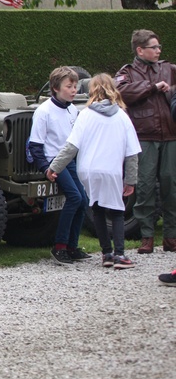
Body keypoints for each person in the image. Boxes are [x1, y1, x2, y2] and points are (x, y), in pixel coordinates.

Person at [48, 74, 141, 269]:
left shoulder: (85, 114)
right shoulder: (122, 116)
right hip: (110, 170)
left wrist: (54, 167)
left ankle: (106, 253)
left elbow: (70, 146)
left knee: (97, 209)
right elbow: (132, 153)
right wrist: (131, 180)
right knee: (116, 211)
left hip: (88, 170)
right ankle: (120, 255)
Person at [115, 29, 176, 254]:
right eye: (154, 47)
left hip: (170, 135)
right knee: (145, 187)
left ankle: (171, 237)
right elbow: (119, 92)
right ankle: (147, 237)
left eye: (159, 47)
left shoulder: (168, 69)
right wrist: (151, 87)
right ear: (140, 50)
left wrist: (171, 90)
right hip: (145, 136)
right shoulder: (127, 72)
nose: (159, 51)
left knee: (172, 186)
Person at [27, 66, 90, 265]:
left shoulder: (72, 110)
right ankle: (60, 246)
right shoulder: (44, 111)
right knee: (74, 197)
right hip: (55, 162)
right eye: (69, 86)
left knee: (83, 200)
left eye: (75, 86)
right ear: (55, 88)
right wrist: (46, 168)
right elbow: (36, 145)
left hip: (69, 160)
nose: (74, 90)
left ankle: (72, 246)